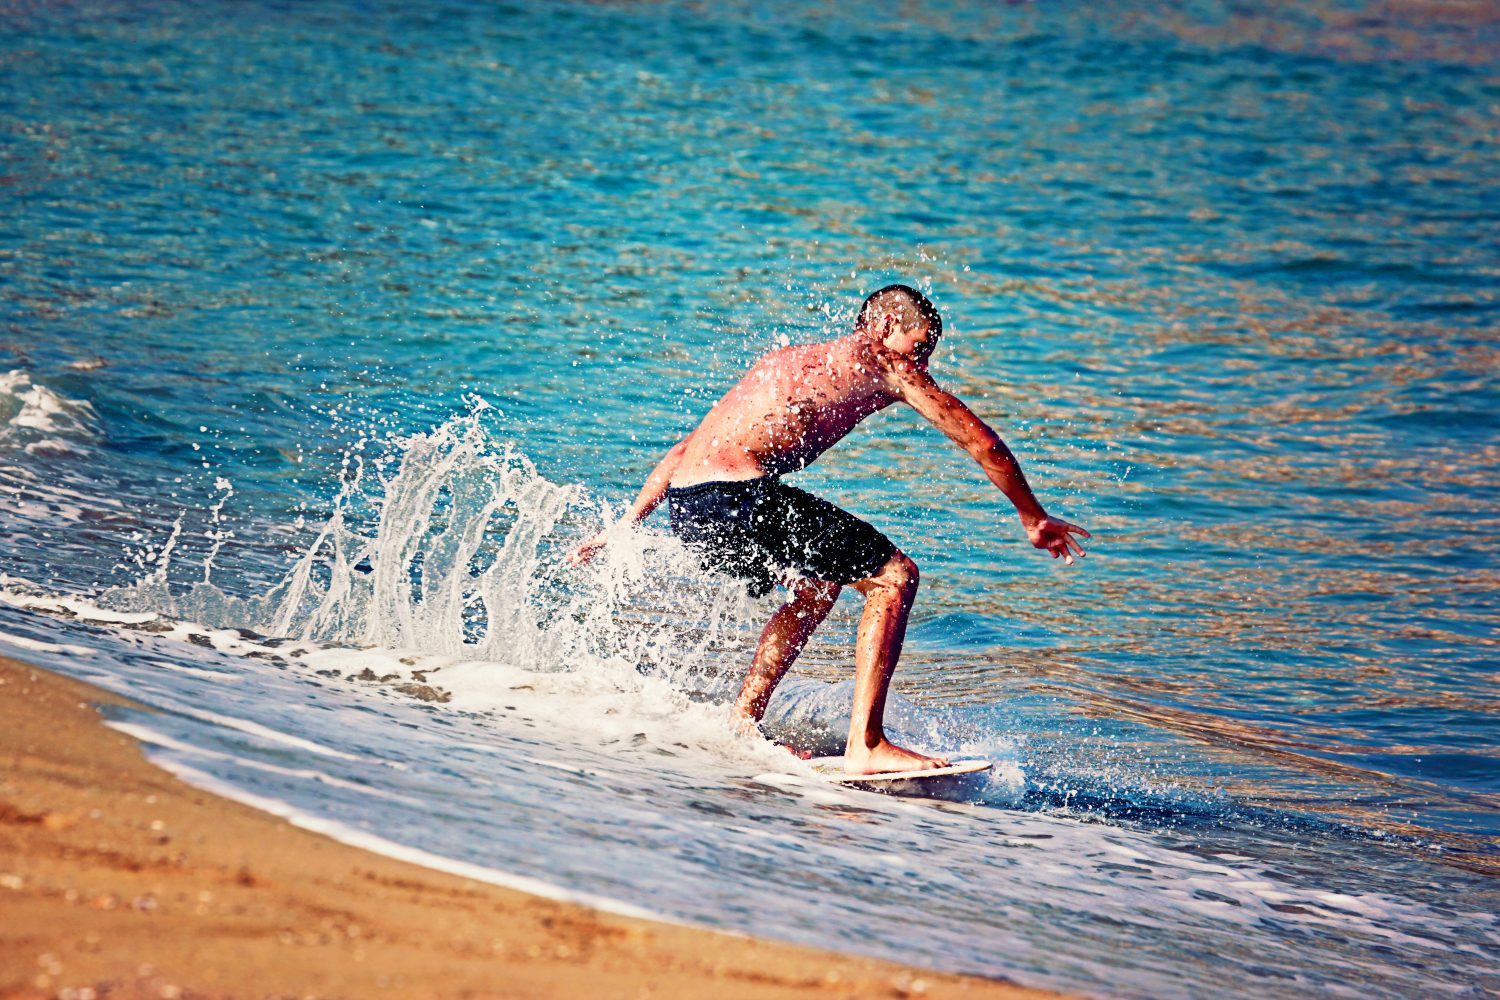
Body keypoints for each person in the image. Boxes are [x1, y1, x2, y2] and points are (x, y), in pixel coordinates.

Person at [570, 285, 1088, 774]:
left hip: (690, 508)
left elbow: (687, 449)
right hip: (738, 498)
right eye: (919, 347)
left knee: (819, 585)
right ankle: (866, 745)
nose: (921, 364)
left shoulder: (782, 362)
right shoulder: (892, 371)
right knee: (895, 577)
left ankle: (744, 722)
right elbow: (983, 443)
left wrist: (623, 527)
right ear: (885, 325)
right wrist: (1032, 516)